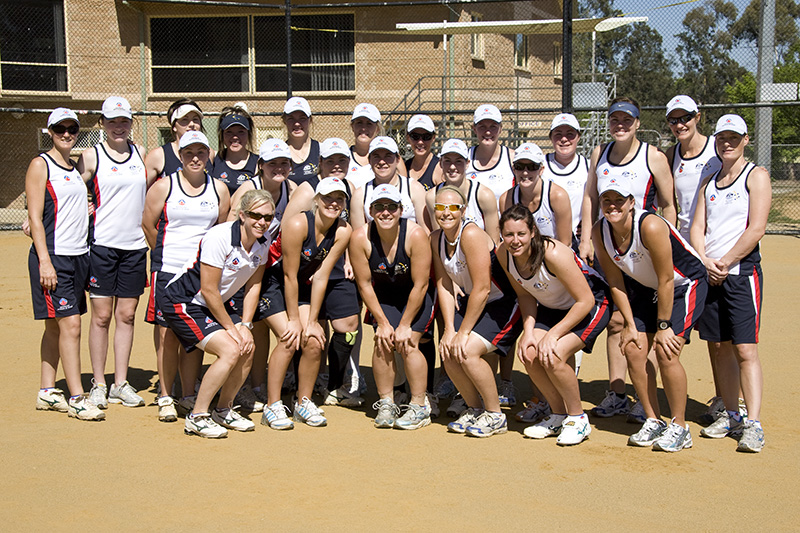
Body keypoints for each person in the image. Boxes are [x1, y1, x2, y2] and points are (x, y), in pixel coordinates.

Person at [579, 97, 677, 422]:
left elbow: (668, 203)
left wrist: (668, 241)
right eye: (615, 119)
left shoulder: (654, 157)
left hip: (647, 253)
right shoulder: (600, 153)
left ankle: (644, 398)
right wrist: (585, 239)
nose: (620, 125)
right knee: (618, 322)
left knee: (655, 331)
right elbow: (591, 196)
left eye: (627, 119)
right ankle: (617, 392)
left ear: (637, 122)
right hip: (616, 251)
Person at [592, 178, 707, 452]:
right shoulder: (600, 230)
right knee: (632, 348)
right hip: (646, 288)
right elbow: (615, 281)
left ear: (632, 203)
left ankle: (680, 427)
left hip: (683, 284)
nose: (613, 206)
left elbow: (667, 279)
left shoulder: (651, 225)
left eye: (619, 200)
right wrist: (630, 325)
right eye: (607, 200)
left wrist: (664, 326)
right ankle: (653, 419)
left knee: (667, 352)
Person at [162, 189, 273, 438]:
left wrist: (245, 325)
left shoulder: (263, 243)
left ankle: (223, 409)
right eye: (256, 215)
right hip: (183, 300)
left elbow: (253, 286)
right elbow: (209, 290)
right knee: (231, 349)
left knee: (248, 346)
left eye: (268, 217)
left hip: (213, 302)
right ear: (242, 215)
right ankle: (197, 416)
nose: (262, 222)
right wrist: (232, 329)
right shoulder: (219, 236)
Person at [497, 204, 610, 445]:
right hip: (552, 307)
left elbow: (585, 300)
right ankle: (558, 414)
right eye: (508, 234)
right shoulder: (503, 254)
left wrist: (554, 334)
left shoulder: (553, 254)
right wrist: (528, 333)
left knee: (554, 354)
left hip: (591, 304)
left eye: (521, 234)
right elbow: (525, 295)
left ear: (533, 233)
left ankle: (578, 418)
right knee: (529, 353)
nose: (515, 240)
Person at [690, 114, 770, 453]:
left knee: (745, 349)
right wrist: (706, 260)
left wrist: (726, 261)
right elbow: (697, 226)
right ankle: (731, 413)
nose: (727, 143)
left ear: (746, 140)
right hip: (712, 274)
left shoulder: (757, 176)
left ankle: (753, 423)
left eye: (734, 138)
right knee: (718, 346)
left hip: (741, 274)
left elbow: (757, 228)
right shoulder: (710, 179)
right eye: (722, 137)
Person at [142, 130, 230, 422]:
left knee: (194, 335)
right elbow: (147, 224)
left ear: (208, 156)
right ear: (180, 155)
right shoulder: (164, 186)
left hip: (199, 274)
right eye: (189, 152)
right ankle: (165, 395)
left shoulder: (218, 189)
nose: (195, 158)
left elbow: (220, 229)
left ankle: (188, 393)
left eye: (201, 152)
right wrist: (168, 256)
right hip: (168, 270)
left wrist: (200, 263)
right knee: (167, 335)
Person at [28, 108, 103, 421]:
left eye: (72, 129)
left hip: (77, 255)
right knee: (71, 326)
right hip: (54, 257)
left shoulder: (74, 167)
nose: (67, 134)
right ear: (50, 131)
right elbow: (33, 215)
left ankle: (47, 390)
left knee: (53, 326)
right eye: (60, 129)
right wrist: (45, 261)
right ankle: (77, 397)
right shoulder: (40, 164)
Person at [78, 96, 153, 411]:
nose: (118, 127)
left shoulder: (142, 153)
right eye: (112, 121)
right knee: (102, 316)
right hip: (103, 247)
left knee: (126, 315)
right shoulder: (91, 156)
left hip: (135, 247)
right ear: (102, 124)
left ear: (131, 123)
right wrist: (36, 214)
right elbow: (65, 186)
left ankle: (120, 383)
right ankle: (99, 383)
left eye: (124, 121)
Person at [432, 185, 522, 438]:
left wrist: (463, 332)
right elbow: (444, 284)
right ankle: (474, 408)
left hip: (503, 304)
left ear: (463, 211)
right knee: (448, 351)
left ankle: (495, 415)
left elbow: (483, 288)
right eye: (440, 207)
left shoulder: (470, 234)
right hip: (477, 303)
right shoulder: (435, 239)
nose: (446, 213)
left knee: (467, 351)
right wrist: (449, 329)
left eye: (453, 208)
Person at [499, 140, 574, 419]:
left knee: (557, 347)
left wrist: (551, 278)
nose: (526, 172)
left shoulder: (557, 196)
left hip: (557, 273)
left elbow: (565, 245)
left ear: (541, 169)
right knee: (532, 342)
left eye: (532, 166)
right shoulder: (507, 197)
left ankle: (566, 405)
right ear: (514, 168)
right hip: (528, 276)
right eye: (520, 166)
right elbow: (506, 241)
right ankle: (540, 399)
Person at [350, 183, 434, 429]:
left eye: (391, 207)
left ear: (401, 209)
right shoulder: (360, 238)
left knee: (408, 342)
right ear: (370, 210)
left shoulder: (415, 235)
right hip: (384, 297)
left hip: (416, 296)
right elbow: (364, 285)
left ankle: (419, 406)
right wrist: (384, 323)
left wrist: (405, 324)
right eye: (379, 207)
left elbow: (421, 285)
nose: (385, 212)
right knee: (382, 339)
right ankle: (387, 402)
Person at [664, 95, 725, 424]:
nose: (679, 124)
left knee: (718, 338)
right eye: (673, 119)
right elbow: (670, 204)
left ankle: (726, 399)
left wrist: (715, 257)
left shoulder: (718, 150)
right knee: (680, 331)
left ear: (698, 116)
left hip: (714, 254)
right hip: (685, 260)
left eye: (685, 117)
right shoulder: (671, 154)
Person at [275, 177, 355, 427]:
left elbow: (321, 275)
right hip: (276, 286)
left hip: (303, 288)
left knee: (313, 338)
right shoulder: (298, 223)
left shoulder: (344, 230)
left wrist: (311, 321)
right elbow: (288, 276)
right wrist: (294, 319)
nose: (333, 203)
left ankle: (303, 402)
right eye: (328, 198)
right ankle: (273, 404)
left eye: (339, 199)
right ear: (317, 200)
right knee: (291, 336)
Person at [227, 139, 297, 408]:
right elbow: (230, 226)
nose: (278, 168)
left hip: (271, 271)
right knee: (247, 330)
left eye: (284, 163)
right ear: (260, 166)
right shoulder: (248, 188)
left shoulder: (292, 189)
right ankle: (244, 388)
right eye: (272, 163)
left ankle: (258, 387)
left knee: (259, 330)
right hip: (243, 270)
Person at [426, 138, 499, 243]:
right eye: (447, 161)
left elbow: (494, 242)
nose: (452, 167)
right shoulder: (432, 196)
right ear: (440, 163)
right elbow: (440, 238)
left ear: (468, 163)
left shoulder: (483, 195)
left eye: (458, 161)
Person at [350, 136, 427, 231]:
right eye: (376, 157)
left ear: (398, 159)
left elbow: (425, 231)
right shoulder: (360, 194)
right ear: (369, 160)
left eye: (388, 156)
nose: (382, 162)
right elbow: (358, 236)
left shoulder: (414, 188)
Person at [542, 113, 588, 246]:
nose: (564, 139)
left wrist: (589, 226)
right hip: (545, 241)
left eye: (570, 134)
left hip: (577, 242)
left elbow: (595, 201)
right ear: (551, 137)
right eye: (558, 134)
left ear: (578, 137)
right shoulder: (539, 166)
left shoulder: (588, 167)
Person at [143, 98, 212, 181]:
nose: (191, 124)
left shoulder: (210, 153)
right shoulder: (158, 155)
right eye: (184, 120)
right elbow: (144, 190)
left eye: (195, 119)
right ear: (174, 126)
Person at [466, 104, 515, 203]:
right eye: (482, 127)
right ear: (474, 129)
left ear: (500, 128)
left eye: (493, 127)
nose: (488, 132)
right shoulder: (464, 157)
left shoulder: (512, 158)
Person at [211, 105, 259, 195]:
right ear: (222, 134)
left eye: (241, 132)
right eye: (229, 132)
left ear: (248, 134)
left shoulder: (257, 163)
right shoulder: (214, 159)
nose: (235, 137)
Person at [282, 96, 321, 188]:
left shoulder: (321, 150)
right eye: (291, 118)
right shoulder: (279, 153)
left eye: (302, 118)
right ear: (284, 121)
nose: (297, 123)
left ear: (310, 120)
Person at [404, 114, 442, 191]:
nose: (420, 142)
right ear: (408, 138)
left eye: (426, 137)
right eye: (415, 136)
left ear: (433, 138)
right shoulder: (404, 168)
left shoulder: (439, 167)